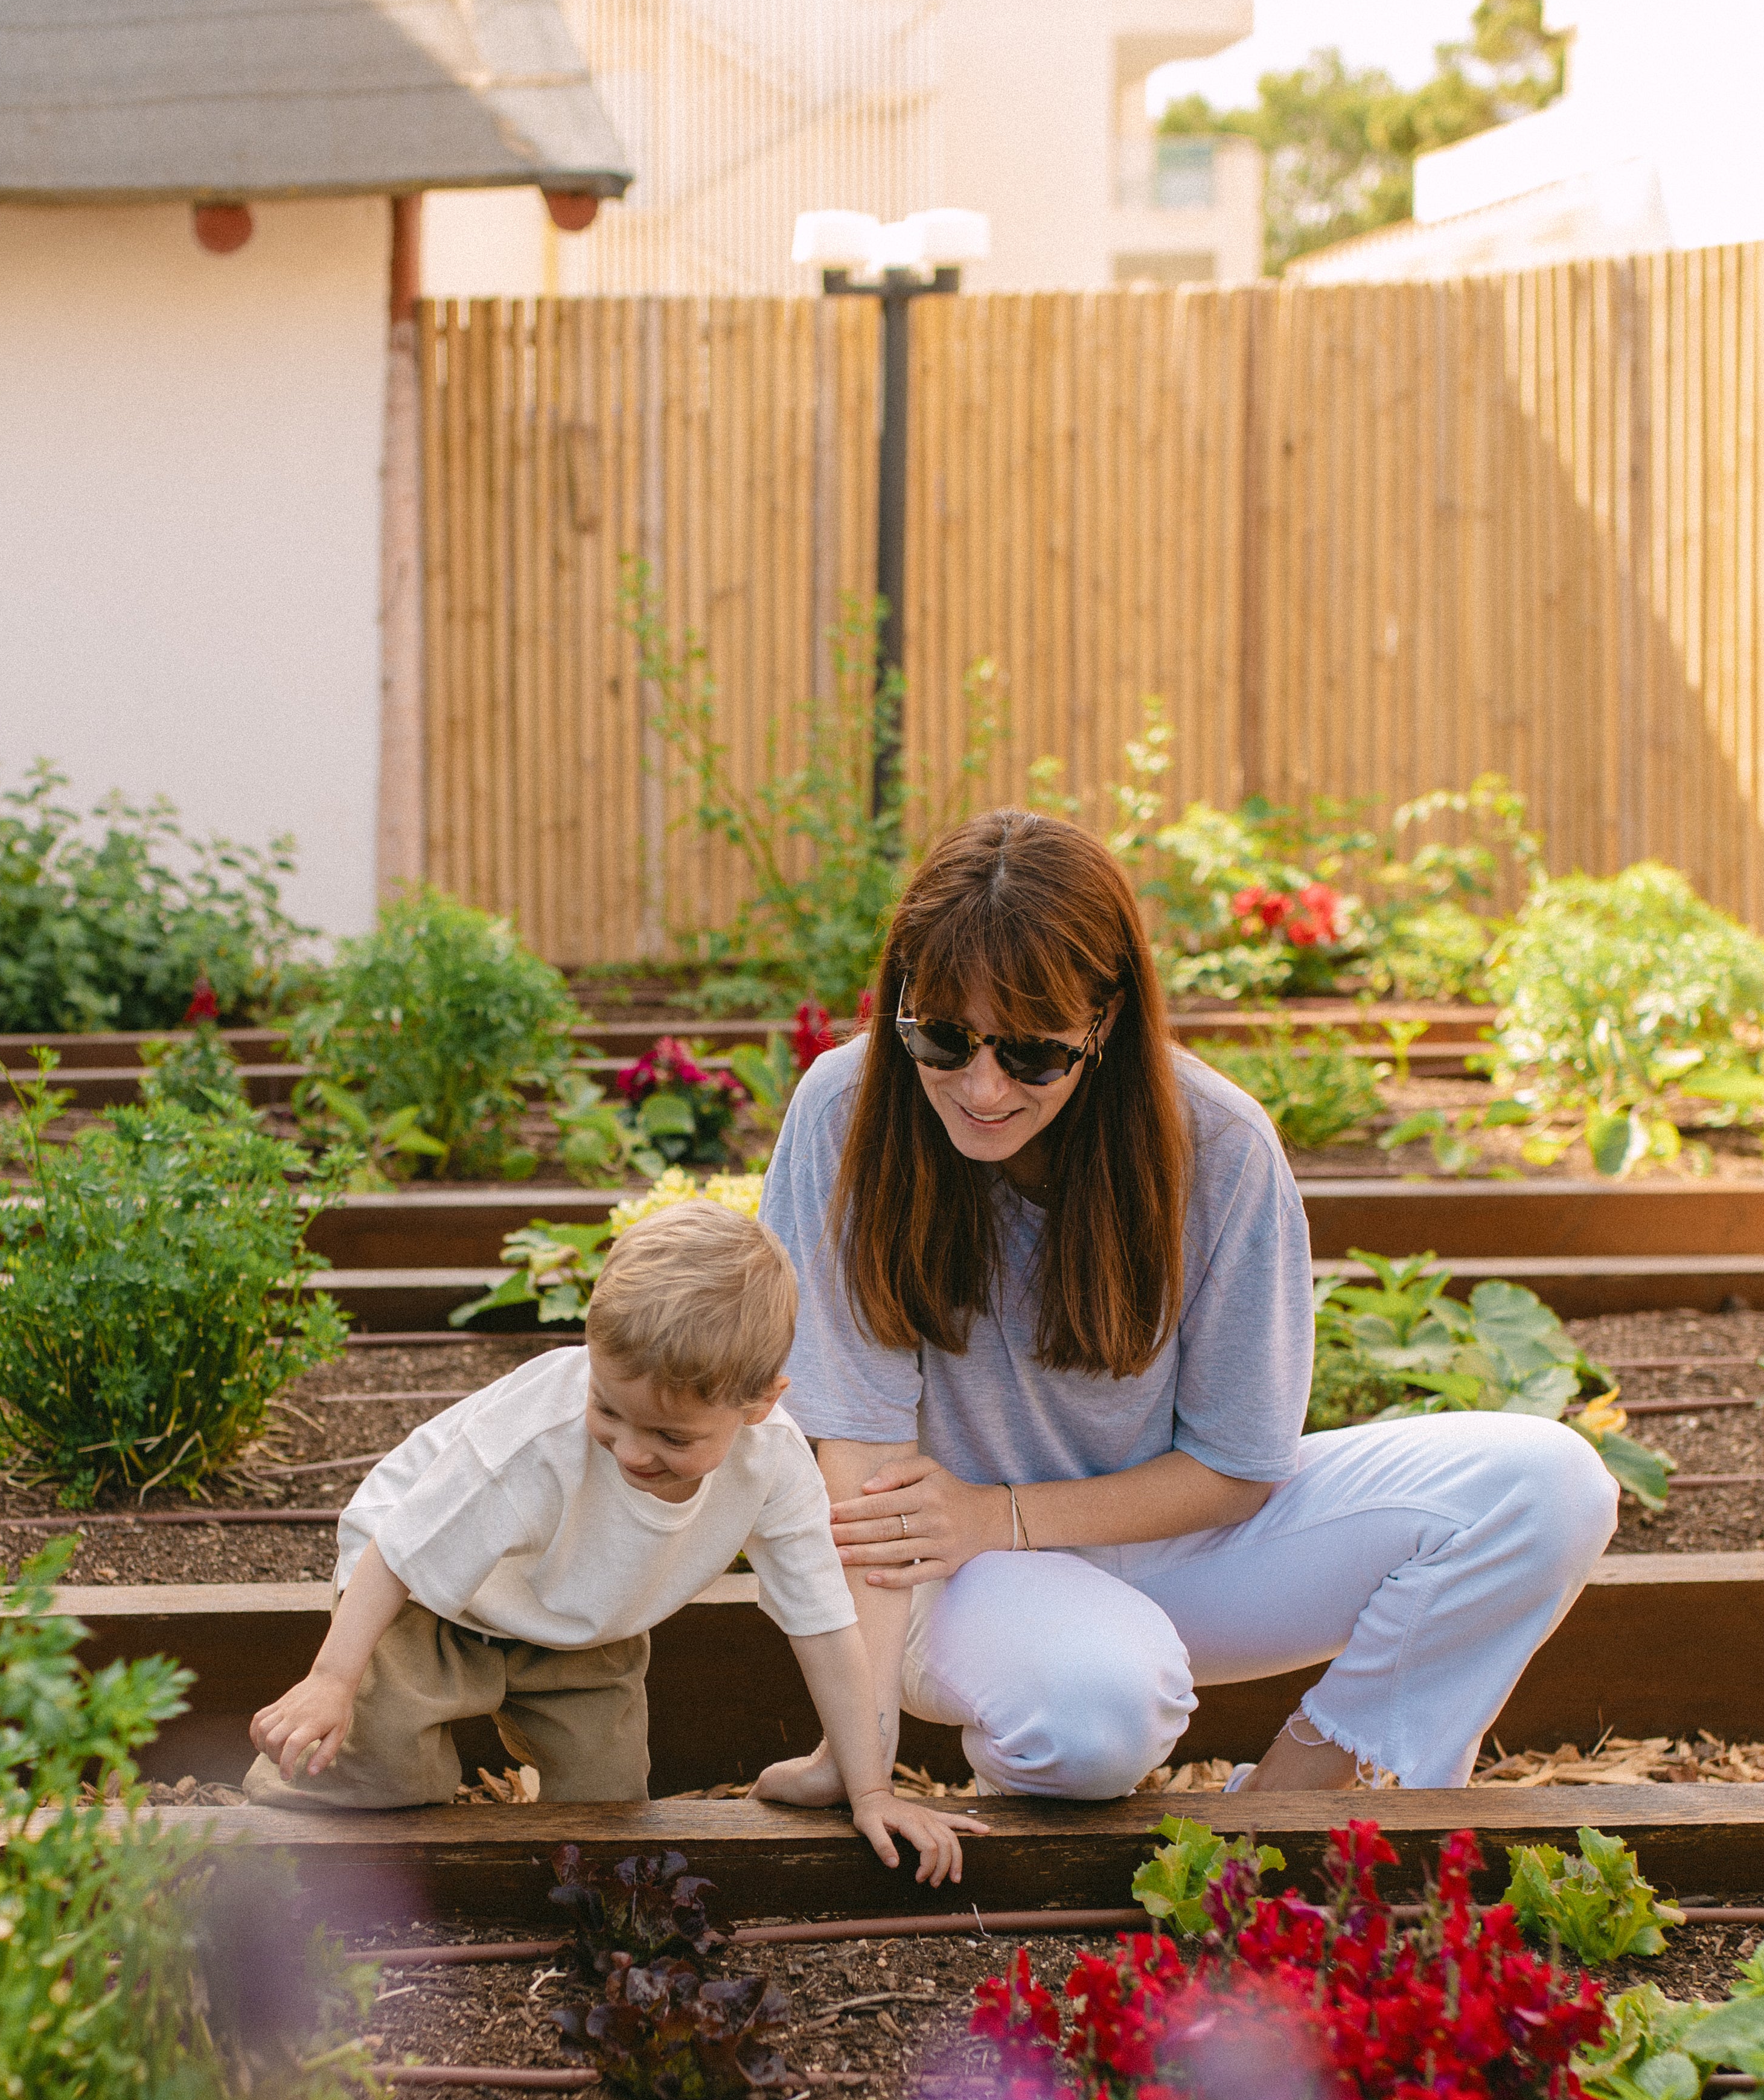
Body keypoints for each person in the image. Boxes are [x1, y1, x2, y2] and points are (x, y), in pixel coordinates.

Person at [754, 807, 1619, 1805]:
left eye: (1031, 1054)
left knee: (1548, 1486)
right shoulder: (845, 1109)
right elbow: (863, 1480)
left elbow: (1237, 1466)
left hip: (1159, 1546)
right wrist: (854, 1761)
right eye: (941, 1038)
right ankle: (1041, 1732)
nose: (980, 1087)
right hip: (952, 1577)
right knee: (1099, 1718)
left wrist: (1004, 1511)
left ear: (1106, 1020)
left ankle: (1309, 1772)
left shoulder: (1217, 1148)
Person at [244, 1197, 978, 1884]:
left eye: (671, 1435)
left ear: (759, 1403)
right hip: (432, 1598)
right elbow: (402, 1550)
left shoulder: (776, 1465)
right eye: (609, 1408)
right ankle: (294, 1786)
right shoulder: (533, 1441)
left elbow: (826, 1627)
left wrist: (871, 1787)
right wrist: (333, 1679)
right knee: (388, 1779)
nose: (630, 1450)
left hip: (582, 1625)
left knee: (609, 1818)